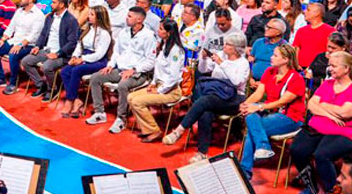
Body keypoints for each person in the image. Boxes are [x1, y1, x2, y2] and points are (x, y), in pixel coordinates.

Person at [290, 51, 352, 194]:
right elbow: (311, 105)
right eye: (329, 65)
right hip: (318, 127)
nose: (330, 68)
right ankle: (310, 185)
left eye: (334, 65)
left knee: (322, 155)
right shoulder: (327, 84)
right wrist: (329, 114)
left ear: (346, 69)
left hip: (345, 132)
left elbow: (345, 113)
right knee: (297, 149)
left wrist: (323, 105)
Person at [162, 32, 251, 162]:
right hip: (215, 95)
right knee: (205, 111)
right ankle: (202, 152)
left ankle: (179, 131)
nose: (224, 46)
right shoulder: (220, 55)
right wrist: (203, 59)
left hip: (234, 99)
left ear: (236, 48)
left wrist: (222, 64)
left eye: (227, 44)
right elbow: (203, 70)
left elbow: (237, 82)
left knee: (205, 101)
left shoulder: (242, 63)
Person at [238, 44, 307, 180]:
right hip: (270, 111)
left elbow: (283, 102)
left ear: (286, 59)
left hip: (290, 117)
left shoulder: (296, 79)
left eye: (275, 55)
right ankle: (262, 147)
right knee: (251, 116)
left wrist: (259, 107)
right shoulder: (269, 72)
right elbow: (258, 94)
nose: (271, 57)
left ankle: (245, 170)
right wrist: (246, 105)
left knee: (253, 127)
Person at [86, 6, 158, 133]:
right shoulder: (124, 32)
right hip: (120, 69)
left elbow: (151, 61)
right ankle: (99, 113)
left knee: (122, 86)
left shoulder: (149, 36)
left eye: (130, 16)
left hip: (139, 74)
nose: (126, 18)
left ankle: (121, 119)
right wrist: (110, 65)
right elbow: (117, 52)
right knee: (95, 78)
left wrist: (134, 70)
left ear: (139, 19)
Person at [128, 18, 186, 142]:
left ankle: (154, 130)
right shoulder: (163, 45)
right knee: (131, 97)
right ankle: (146, 129)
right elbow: (158, 69)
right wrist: (153, 84)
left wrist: (159, 90)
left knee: (138, 102)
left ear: (169, 33)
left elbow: (173, 77)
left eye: (161, 29)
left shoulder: (176, 51)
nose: (158, 30)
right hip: (158, 85)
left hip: (171, 91)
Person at [0, 0, 46, 95]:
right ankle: (1, 78)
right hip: (14, 40)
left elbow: (34, 36)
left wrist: (20, 45)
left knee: (13, 54)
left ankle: (13, 83)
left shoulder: (38, 15)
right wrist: (3, 39)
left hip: (29, 45)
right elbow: (11, 27)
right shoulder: (19, 11)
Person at [21, 0, 79, 100]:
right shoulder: (50, 17)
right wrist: (37, 46)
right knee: (26, 61)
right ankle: (40, 85)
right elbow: (43, 34)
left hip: (62, 54)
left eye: (53, 2)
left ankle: (53, 88)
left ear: (61, 5)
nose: (51, 5)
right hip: (46, 50)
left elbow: (72, 42)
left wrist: (57, 54)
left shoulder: (71, 20)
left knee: (47, 66)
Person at [58, 6, 113, 118]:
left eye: (92, 15)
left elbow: (99, 54)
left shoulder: (105, 34)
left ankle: (69, 101)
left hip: (98, 61)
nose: (89, 17)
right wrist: (74, 56)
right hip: (84, 56)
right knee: (65, 71)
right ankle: (77, 100)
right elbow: (79, 45)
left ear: (99, 17)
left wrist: (82, 59)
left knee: (77, 70)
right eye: (89, 14)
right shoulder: (88, 29)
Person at [292, 3, 334, 69]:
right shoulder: (301, 30)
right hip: (300, 69)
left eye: (308, 10)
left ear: (317, 13)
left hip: (319, 69)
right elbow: (296, 49)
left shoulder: (330, 31)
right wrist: (296, 65)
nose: (304, 12)